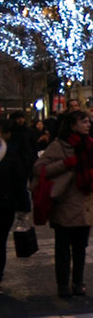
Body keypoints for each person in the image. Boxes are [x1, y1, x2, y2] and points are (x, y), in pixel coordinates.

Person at [35, 109, 93, 298]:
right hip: (65, 202)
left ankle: (78, 282)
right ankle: (63, 284)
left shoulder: (89, 145)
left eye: (88, 122)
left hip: (85, 202)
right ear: (72, 125)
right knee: (63, 248)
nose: (88, 125)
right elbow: (39, 169)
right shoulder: (59, 146)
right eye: (83, 122)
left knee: (80, 248)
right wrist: (66, 164)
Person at [0, 120, 33, 294]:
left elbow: (19, 182)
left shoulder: (11, 155)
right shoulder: (10, 154)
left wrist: (23, 207)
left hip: (4, 205)